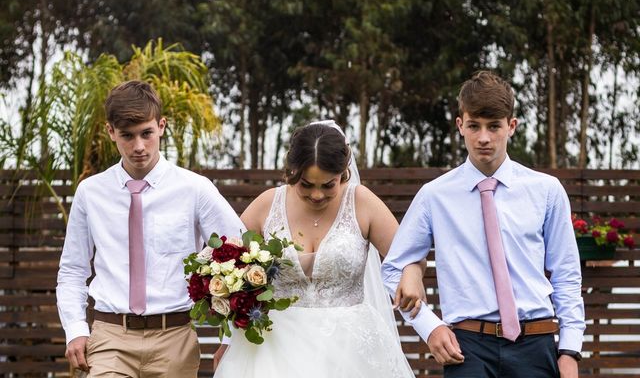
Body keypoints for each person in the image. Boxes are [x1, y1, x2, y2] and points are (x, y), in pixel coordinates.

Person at [382, 70, 585, 378]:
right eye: (474, 126)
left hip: (536, 342)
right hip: (468, 349)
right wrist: (429, 327)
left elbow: (567, 276)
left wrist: (570, 351)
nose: (484, 138)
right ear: (460, 125)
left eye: (494, 126)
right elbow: (392, 268)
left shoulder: (547, 191)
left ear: (511, 126)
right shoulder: (435, 196)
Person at [56, 80, 245, 377]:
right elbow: (72, 270)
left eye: (147, 133)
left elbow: (239, 255)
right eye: (127, 136)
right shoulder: (90, 193)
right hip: (109, 337)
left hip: (175, 337)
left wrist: (232, 338)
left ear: (161, 126)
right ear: (110, 132)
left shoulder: (195, 189)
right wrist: (75, 329)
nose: (139, 146)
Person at [214, 121, 424, 377]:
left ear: (343, 173)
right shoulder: (268, 204)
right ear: (292, 171)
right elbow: (230, 269)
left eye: (328, 185)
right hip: (274, 349)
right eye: (306, 185)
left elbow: (408, 256)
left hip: (349, 351)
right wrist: (227, 340)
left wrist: (412, 273)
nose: (316, 195)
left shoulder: (362, 202)